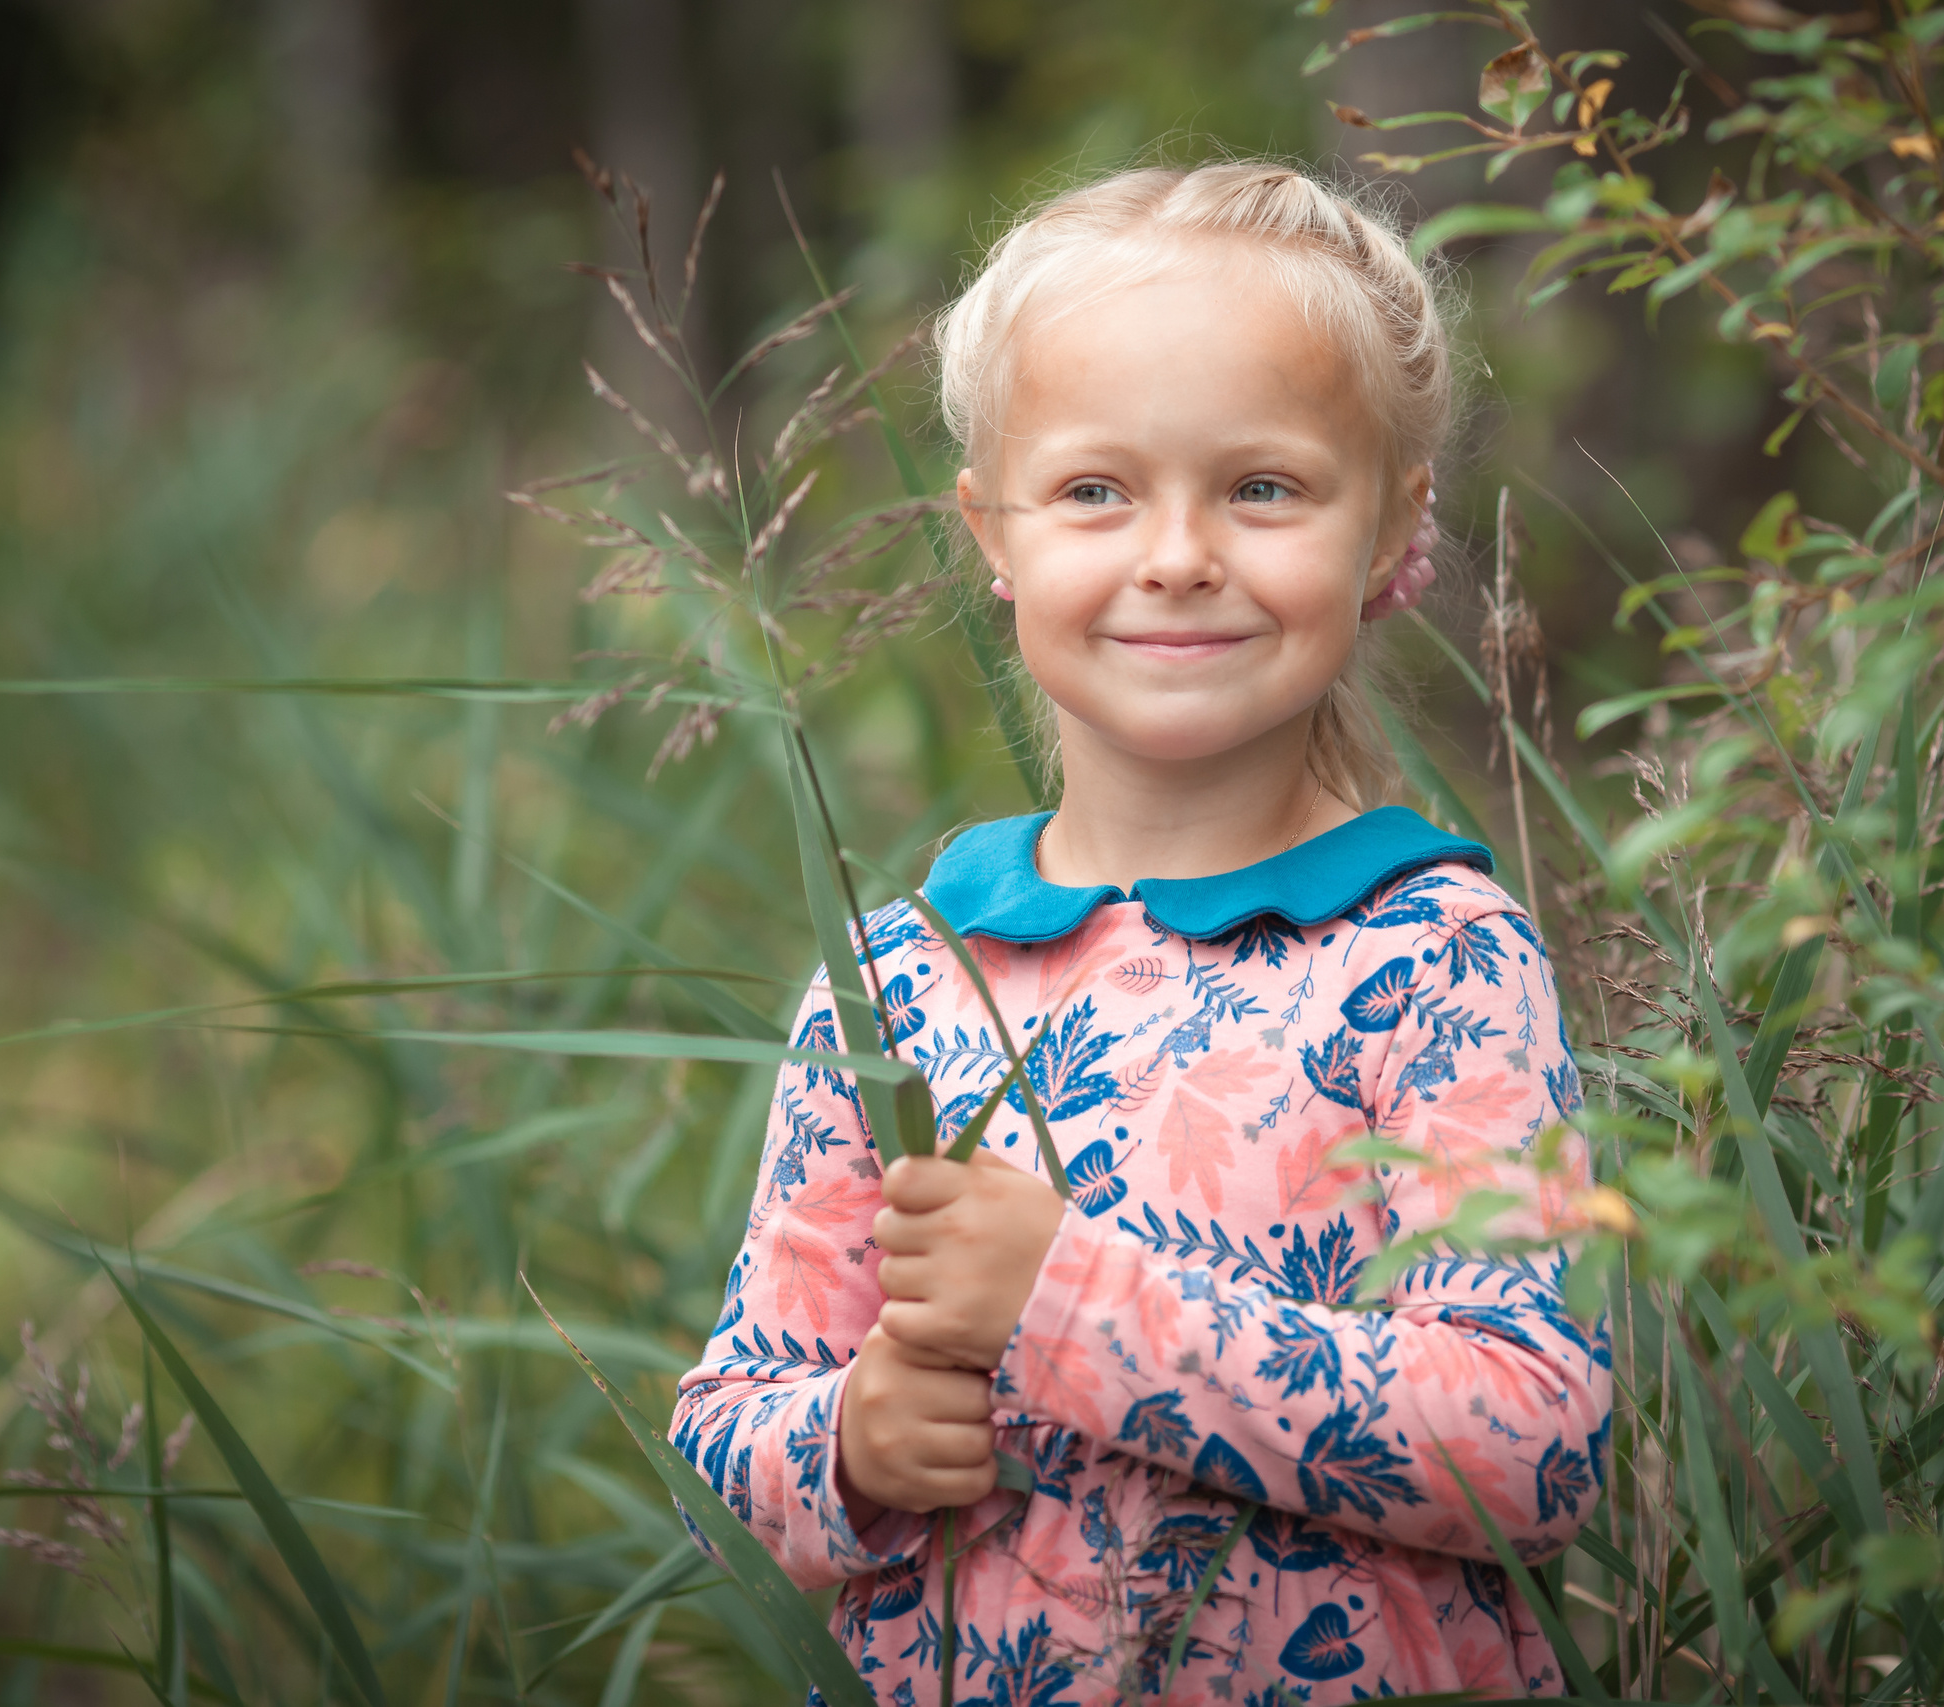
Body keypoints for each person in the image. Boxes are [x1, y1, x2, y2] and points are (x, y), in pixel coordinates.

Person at [671, 160, 1610, 1704]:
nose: (1176, 554)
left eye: (1264, 488)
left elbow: (1531, 1443)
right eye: (1096, 490)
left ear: (1391, 527)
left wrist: (1064, 1301)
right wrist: (848, 1443)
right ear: (993, 528)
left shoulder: (1432, 958)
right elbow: (728, 1436)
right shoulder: (895, 985)